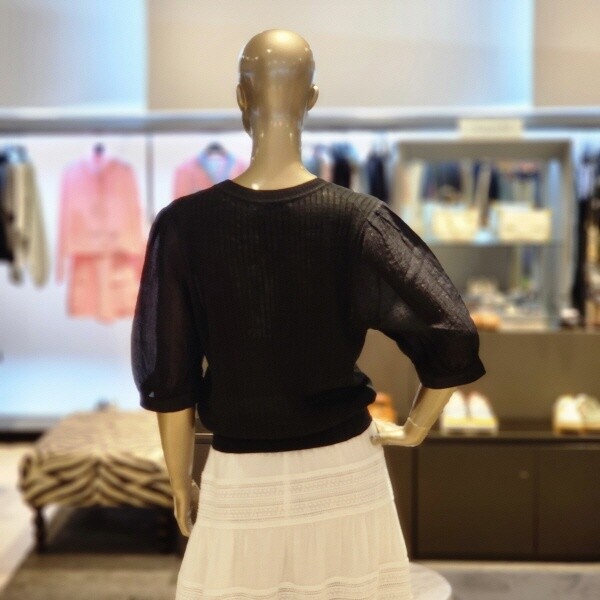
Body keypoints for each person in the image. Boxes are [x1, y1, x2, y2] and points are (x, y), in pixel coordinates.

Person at [131, 29, 485, 599]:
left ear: (240, 97)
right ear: (313, 99)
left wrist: (179, 480)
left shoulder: (183, 226)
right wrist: (416, 427)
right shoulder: (358, 219)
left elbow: (170, 376)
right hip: (347, 471)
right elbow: (453, 331)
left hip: (240, 477)